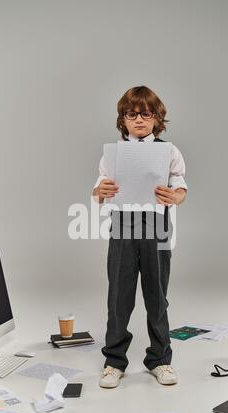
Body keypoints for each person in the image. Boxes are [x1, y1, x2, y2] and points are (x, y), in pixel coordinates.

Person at [92, 85, 188, 388]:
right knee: (119, 294)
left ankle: (160, 359)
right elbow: (100, 189)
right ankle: (114, 361)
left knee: (157, 295)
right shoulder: (113, 153)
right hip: (122, 225)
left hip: (157, 226)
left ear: (157, 119)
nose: (139, 120)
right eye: (131, 115)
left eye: (146, 114)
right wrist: (99, 192)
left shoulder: (169, 151)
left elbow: (181, 187)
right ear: (123, 119)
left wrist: (175, 196)